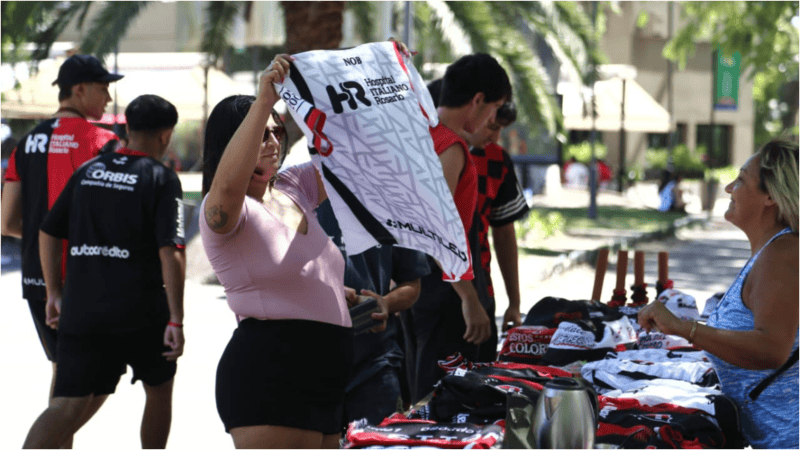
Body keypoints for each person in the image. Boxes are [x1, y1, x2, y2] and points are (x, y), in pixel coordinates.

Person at [199, 56, 353, 449]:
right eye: (258, 133)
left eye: (274, 133)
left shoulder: (293, 187)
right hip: (271, 375)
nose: (270, 142)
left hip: (325, 378)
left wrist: (377, 75)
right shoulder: (225, 211)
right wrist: (264, 101)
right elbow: (228, 189)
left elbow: (349, 152)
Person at [23, 94, 186, 448]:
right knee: (158, 391)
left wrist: (54, 293)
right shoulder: (162, 177)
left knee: (66, 407)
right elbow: (171, 250)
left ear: (127, 128)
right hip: (140, 311)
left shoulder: (89, 170)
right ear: (165, 135)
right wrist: (176, 319)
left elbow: (48, 230)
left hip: (83, 310)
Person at [638, 138, 798, 449]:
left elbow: (772, 348)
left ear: (770, 197)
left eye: (740, 179)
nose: (728, 188)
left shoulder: (782, 254)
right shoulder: (773, 251)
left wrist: (685, 329)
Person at [1, 53, 122, 448]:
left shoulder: (26, 143)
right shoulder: (104, 142)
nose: (107, 96)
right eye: (103, 87)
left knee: (66, 380)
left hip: (36, 278)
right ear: (80, 89)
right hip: (88, 284)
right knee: (86, 385)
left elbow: (6, 222)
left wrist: (43, 244)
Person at [404, 55, 512, 403]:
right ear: (477, 101)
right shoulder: (451, 147)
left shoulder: (417, 133)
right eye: (494, 108)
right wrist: (469, 298)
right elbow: (436, 230)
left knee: (420, 397)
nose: (493, 120)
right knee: (450, 403)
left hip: (413, 285)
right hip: (446, 291)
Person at [316, 198, 430, 425]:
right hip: (311, 365)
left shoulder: (393, 204)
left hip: (375, 366)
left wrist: (386, 303)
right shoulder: (299, 196)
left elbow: (413, 285)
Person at [463, 101, 530, 332]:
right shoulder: (429, 150)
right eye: (492, 127)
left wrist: (514, 301)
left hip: (481, 285)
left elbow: (504, 232)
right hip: (428, 290)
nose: (496, 137)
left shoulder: (496, 159)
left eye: (501, 129)